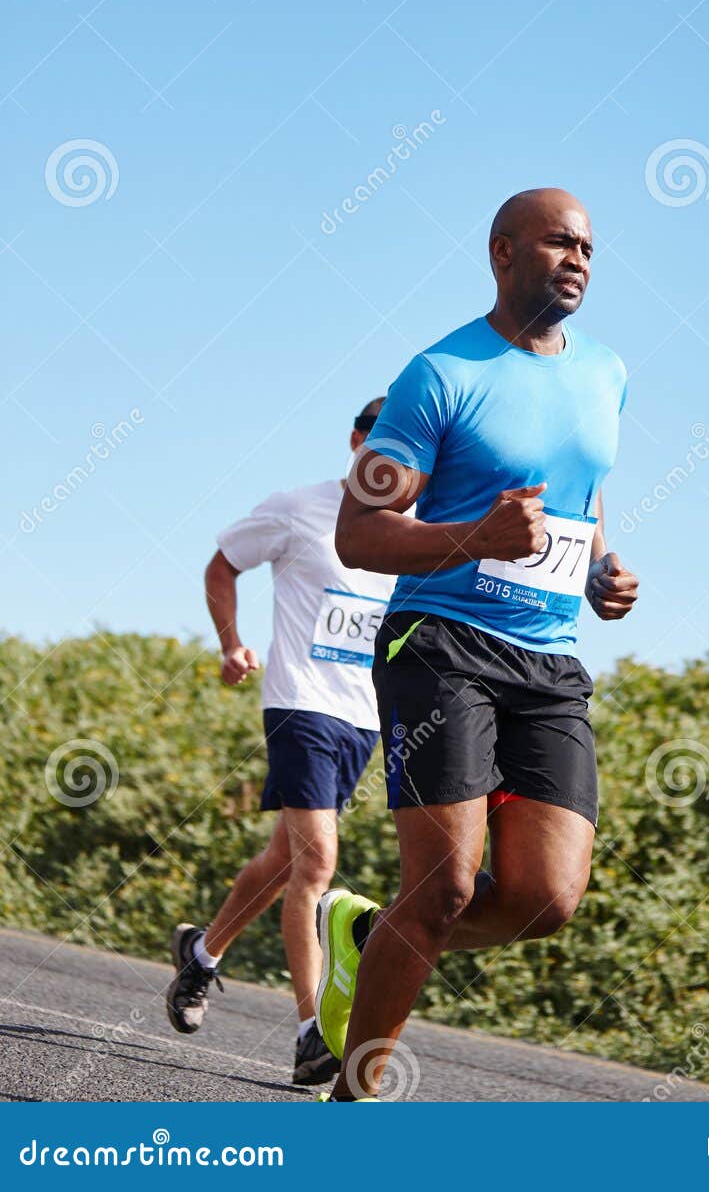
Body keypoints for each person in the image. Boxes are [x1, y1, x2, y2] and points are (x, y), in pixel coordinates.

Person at [315, 188, 639, 1101]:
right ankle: (356, 1094)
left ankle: (368, 938)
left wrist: (601, 569)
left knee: (546, 900)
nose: (576, 259)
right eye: (556, 243)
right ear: (502, 253)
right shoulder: (439, 373)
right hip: (441, 640)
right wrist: (473, 539)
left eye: (587, 246)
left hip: (549, 657)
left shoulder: (607, 370)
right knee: (448, 887)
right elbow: (357, 535)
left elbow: (582, 492)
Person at [165, 402, 391, 1087]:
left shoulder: (413, 536)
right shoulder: (299, 508)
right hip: (298, 703)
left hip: (363, 720)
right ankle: (310, 1034)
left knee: (283, 857)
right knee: (317, 862)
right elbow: (220, 566)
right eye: (389, 446)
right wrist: (231, 644)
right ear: (358, 442)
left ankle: (201, 955)